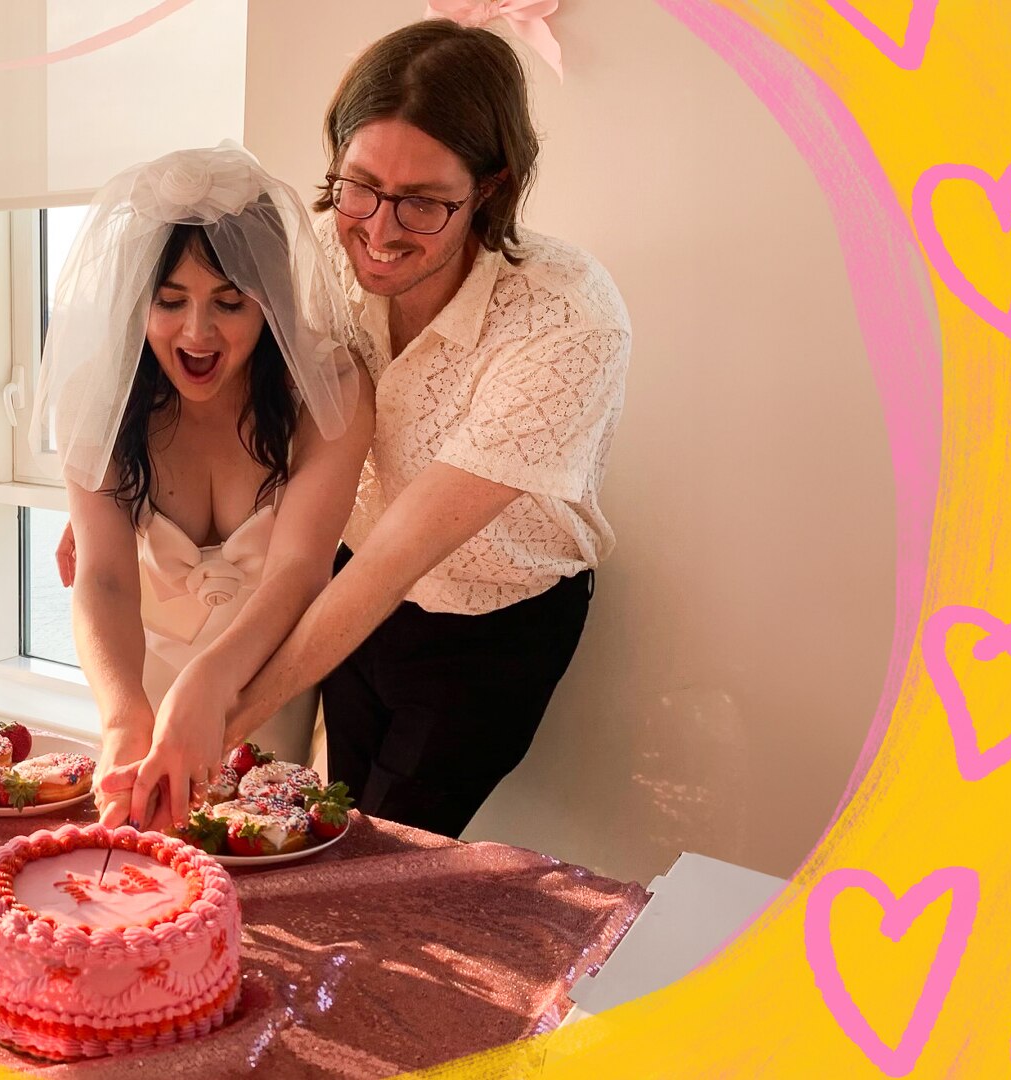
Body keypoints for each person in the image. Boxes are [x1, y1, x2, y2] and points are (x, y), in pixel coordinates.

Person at [88, 20, 632, 838]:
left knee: (383, 847)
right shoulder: (321, 261)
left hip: (490, 620)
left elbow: (396, 560)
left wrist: (219, 720)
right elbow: (232, 386)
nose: (378, 232)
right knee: (329, 818)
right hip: (346, 587)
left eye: (422, 203)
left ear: (490, 187)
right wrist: (114, 507)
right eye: (360, 187)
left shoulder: (566, 320)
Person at [33, 143, 372, 831]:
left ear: (269, 302)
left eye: (228, 303)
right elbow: (104, 580)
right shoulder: (95, 399)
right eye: (170, 301)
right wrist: (124, 716)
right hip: (138, 670)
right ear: (137, 301)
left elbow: (300, 571)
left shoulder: (329, 394)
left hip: (270, 675)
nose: (197, 331)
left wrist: (211, 685)